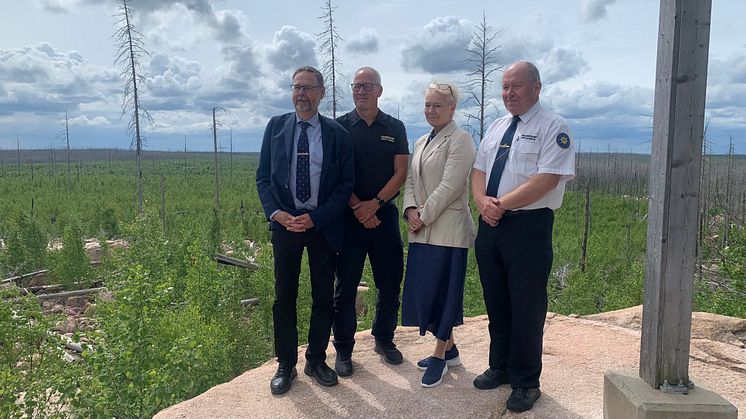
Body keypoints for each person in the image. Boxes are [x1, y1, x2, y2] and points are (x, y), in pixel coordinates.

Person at [471, 61, 575, 412]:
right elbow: (479, 169)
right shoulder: (498, 126)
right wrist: (483, 202)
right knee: (497, 302)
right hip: (491, 225)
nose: (509, 93)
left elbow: (548, 178)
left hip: (528, 228)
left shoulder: (553, 126)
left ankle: (526, 382)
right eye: (504, 87)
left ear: (536, 87)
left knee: (526, 308)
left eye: (516, 86)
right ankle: (499, 367)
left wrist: (499, 204)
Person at [256, 65, 354, 395]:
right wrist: (277, 214)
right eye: (297, 87)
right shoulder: (276, 127)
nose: (302, 94)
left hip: (322, 226)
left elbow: (345, 184)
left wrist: (318, 218)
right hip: (286, 226)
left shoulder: (337, 134)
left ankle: (316, 359)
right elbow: (263, 178)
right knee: (284, 297)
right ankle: (286, 364)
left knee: (323, 297)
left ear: (322, 93)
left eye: (309, 88)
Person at [332, 67, 409, 376]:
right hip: (349, 219)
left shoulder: (395, 126)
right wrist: (358, 208)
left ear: (379, 90)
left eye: (367, 86)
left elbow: (401, 173)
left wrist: (375, 205)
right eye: (356, 86)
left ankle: (384, 339)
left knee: (390, 282)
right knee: (346, 287)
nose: (361, 91)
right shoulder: (339, 127)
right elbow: (335, 174)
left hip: (384, 216)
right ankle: (344, 350)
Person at [401, 81, 476, 388]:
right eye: (428, 105)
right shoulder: (420, 141)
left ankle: (439, 356)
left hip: (448, 231)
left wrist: (424, 216)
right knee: (426, 293)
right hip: (421, 230)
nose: (431, 110)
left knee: (445, 294)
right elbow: (409, 180)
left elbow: (451, 186)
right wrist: (409, 211)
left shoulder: (461, 140)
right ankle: (452, 348)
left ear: (452, 109)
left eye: (438, 105)